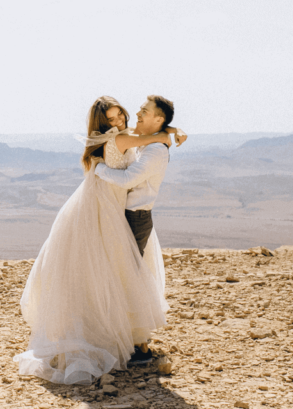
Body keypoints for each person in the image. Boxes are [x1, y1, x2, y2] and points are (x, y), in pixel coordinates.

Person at [14, 96, 182, 385]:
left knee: (111, 271)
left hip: (111, 206)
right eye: (111, 119)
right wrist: (169, 133)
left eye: (121, 116)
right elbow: (151, 143)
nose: (118, 122)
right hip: (105, 207)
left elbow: (152, 137)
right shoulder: (118, 140)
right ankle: (119, 338)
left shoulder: (119, 138)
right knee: (115, 270)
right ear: (102, 123)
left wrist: (171, 131)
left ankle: (121, 335)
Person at [94, 94, 178, 361]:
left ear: (158, 118)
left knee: (130, 280)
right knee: (123, 277)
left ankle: (138, 344)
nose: (137, 113)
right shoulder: (147, 140)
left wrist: (98, 171)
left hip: (135, 218)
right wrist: (171, 131)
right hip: (127, 215)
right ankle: (127, 339)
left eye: (145, 110)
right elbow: (139, 136)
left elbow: (129, 178)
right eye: (140, 109)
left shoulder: (154, 150)